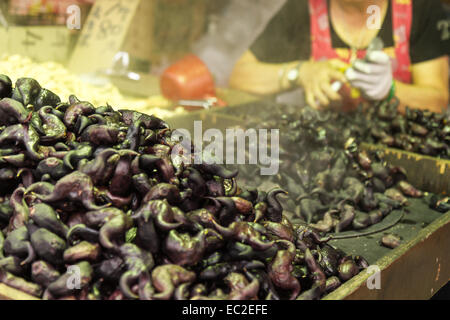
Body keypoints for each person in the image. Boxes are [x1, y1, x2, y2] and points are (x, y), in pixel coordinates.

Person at [229, 0, 450, 113]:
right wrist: (299, 72)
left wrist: (390, 91)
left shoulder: (421, 9)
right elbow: (240, 76)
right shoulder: (303, 9)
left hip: (401, 153)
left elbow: (437, 101)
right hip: (325, 153)